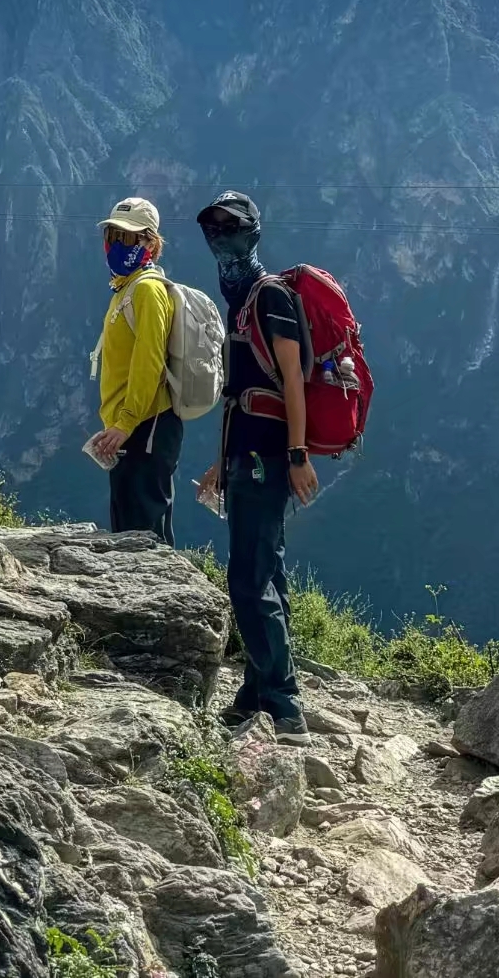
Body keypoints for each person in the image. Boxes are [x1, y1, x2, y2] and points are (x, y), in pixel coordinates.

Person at [196, 190, 318, 735]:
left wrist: (298, 454)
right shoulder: (243, 299)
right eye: (213, 226)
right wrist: (220, 462)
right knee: (267, 572)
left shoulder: (269, 297)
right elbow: (239, 394)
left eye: (231, 225)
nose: (219, 235)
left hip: (269, 457)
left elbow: (292, 379)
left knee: (248, 578)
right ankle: (257, 689)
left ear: (253, 231)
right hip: (245, 455)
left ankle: (283, 701)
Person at [87, 195, 183, 542]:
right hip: (130, 429)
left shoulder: (147, 290)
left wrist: (126, 423)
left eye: (129, 237)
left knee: (145, 536)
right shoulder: (125, 290)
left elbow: (149, 362)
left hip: (147, 425)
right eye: (114, 235)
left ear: (151, 244)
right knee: (127, 531)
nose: (118, 244)